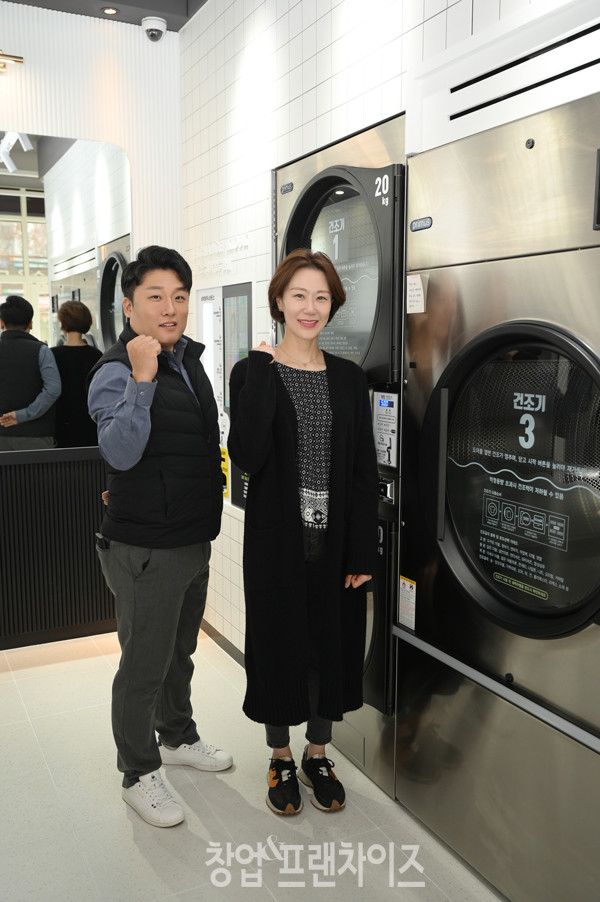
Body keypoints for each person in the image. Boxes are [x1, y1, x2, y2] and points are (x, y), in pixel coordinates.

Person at [228, 248, 379, 815]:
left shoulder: (347, 377)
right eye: (299, 296)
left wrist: (364, 544)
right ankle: (280, 755)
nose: (310, 308)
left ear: (332, 305)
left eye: (321, 298)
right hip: (277, 542)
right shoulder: (253, 370)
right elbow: (246, 454)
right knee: (277, 644)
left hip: (336, 541)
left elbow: (364, 470)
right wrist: (264, 375)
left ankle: (318, 752)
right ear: (279, 302)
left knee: (330, 647)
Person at [88, 245, 231, 828]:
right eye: (155, 297)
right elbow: (119, 451)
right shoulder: (115, 370)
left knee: (179, 654)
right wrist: (142, 379)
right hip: (146, 546)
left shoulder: (188, 360)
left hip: (191, 539)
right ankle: (138, 772)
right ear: (128, 307)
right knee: (143, 665)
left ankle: (177, 735)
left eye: (179, 296)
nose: (170, 309)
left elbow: (197, 443)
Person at [0, 294, 61, 450]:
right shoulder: (41, 350)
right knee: (37, 475)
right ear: (31, 324)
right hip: (36, 437)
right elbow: (53, 390)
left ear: (1, 323)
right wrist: (22, 415)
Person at [52, 300, 102, 447]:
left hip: (61, 425)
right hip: (91, 423)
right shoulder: (97, 355)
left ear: (63, 324)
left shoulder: (52, 355)